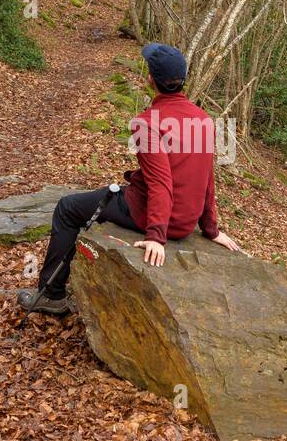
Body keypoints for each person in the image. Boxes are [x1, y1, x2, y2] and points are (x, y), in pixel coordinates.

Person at [17, 42, 243, 316]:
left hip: (151, 214)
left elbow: (161, 182)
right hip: (185, 221)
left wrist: (156, 236)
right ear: (183, 80)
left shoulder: (146, 123)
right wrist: (211, 230)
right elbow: (207, 178)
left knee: (67, 208)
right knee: (106, 198)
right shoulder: (203, 119)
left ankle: (51, 296)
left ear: (151, 79)